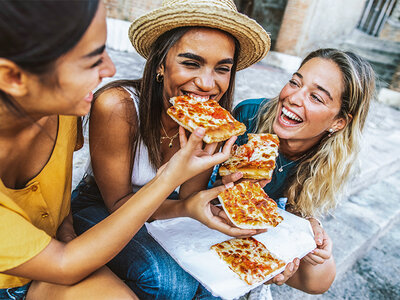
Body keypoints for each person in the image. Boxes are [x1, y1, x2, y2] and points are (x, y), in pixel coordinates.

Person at [0, 1, 236, 299]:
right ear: (13, 78)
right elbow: (64, 263)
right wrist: (168, 180)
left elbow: (52, 206)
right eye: (90, 58)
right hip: (22, 274)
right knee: (169, 282)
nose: (110, 69)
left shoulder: (65, 110)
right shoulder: (109, 105)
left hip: (59, 248)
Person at [71, 0, 274, 299]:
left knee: (215, 280)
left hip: (165, 210)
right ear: (160, 65)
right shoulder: (118, 105)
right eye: (191, 63)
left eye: (222, 69)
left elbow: (190, 198)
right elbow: (117, 203)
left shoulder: (214, 124)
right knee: (171, 283)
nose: (207, 84)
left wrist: (231, 193)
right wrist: (185, 208)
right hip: (102, 206)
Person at [227, 48, 375, 294]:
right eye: (295, 82)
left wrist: (310, 233)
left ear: (338, 122)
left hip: (255, 233)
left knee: (319, 275)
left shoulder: (328, 160)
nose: (293, 98)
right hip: (211, 219)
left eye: (316, 97)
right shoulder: (249, 116)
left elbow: (317, 283)